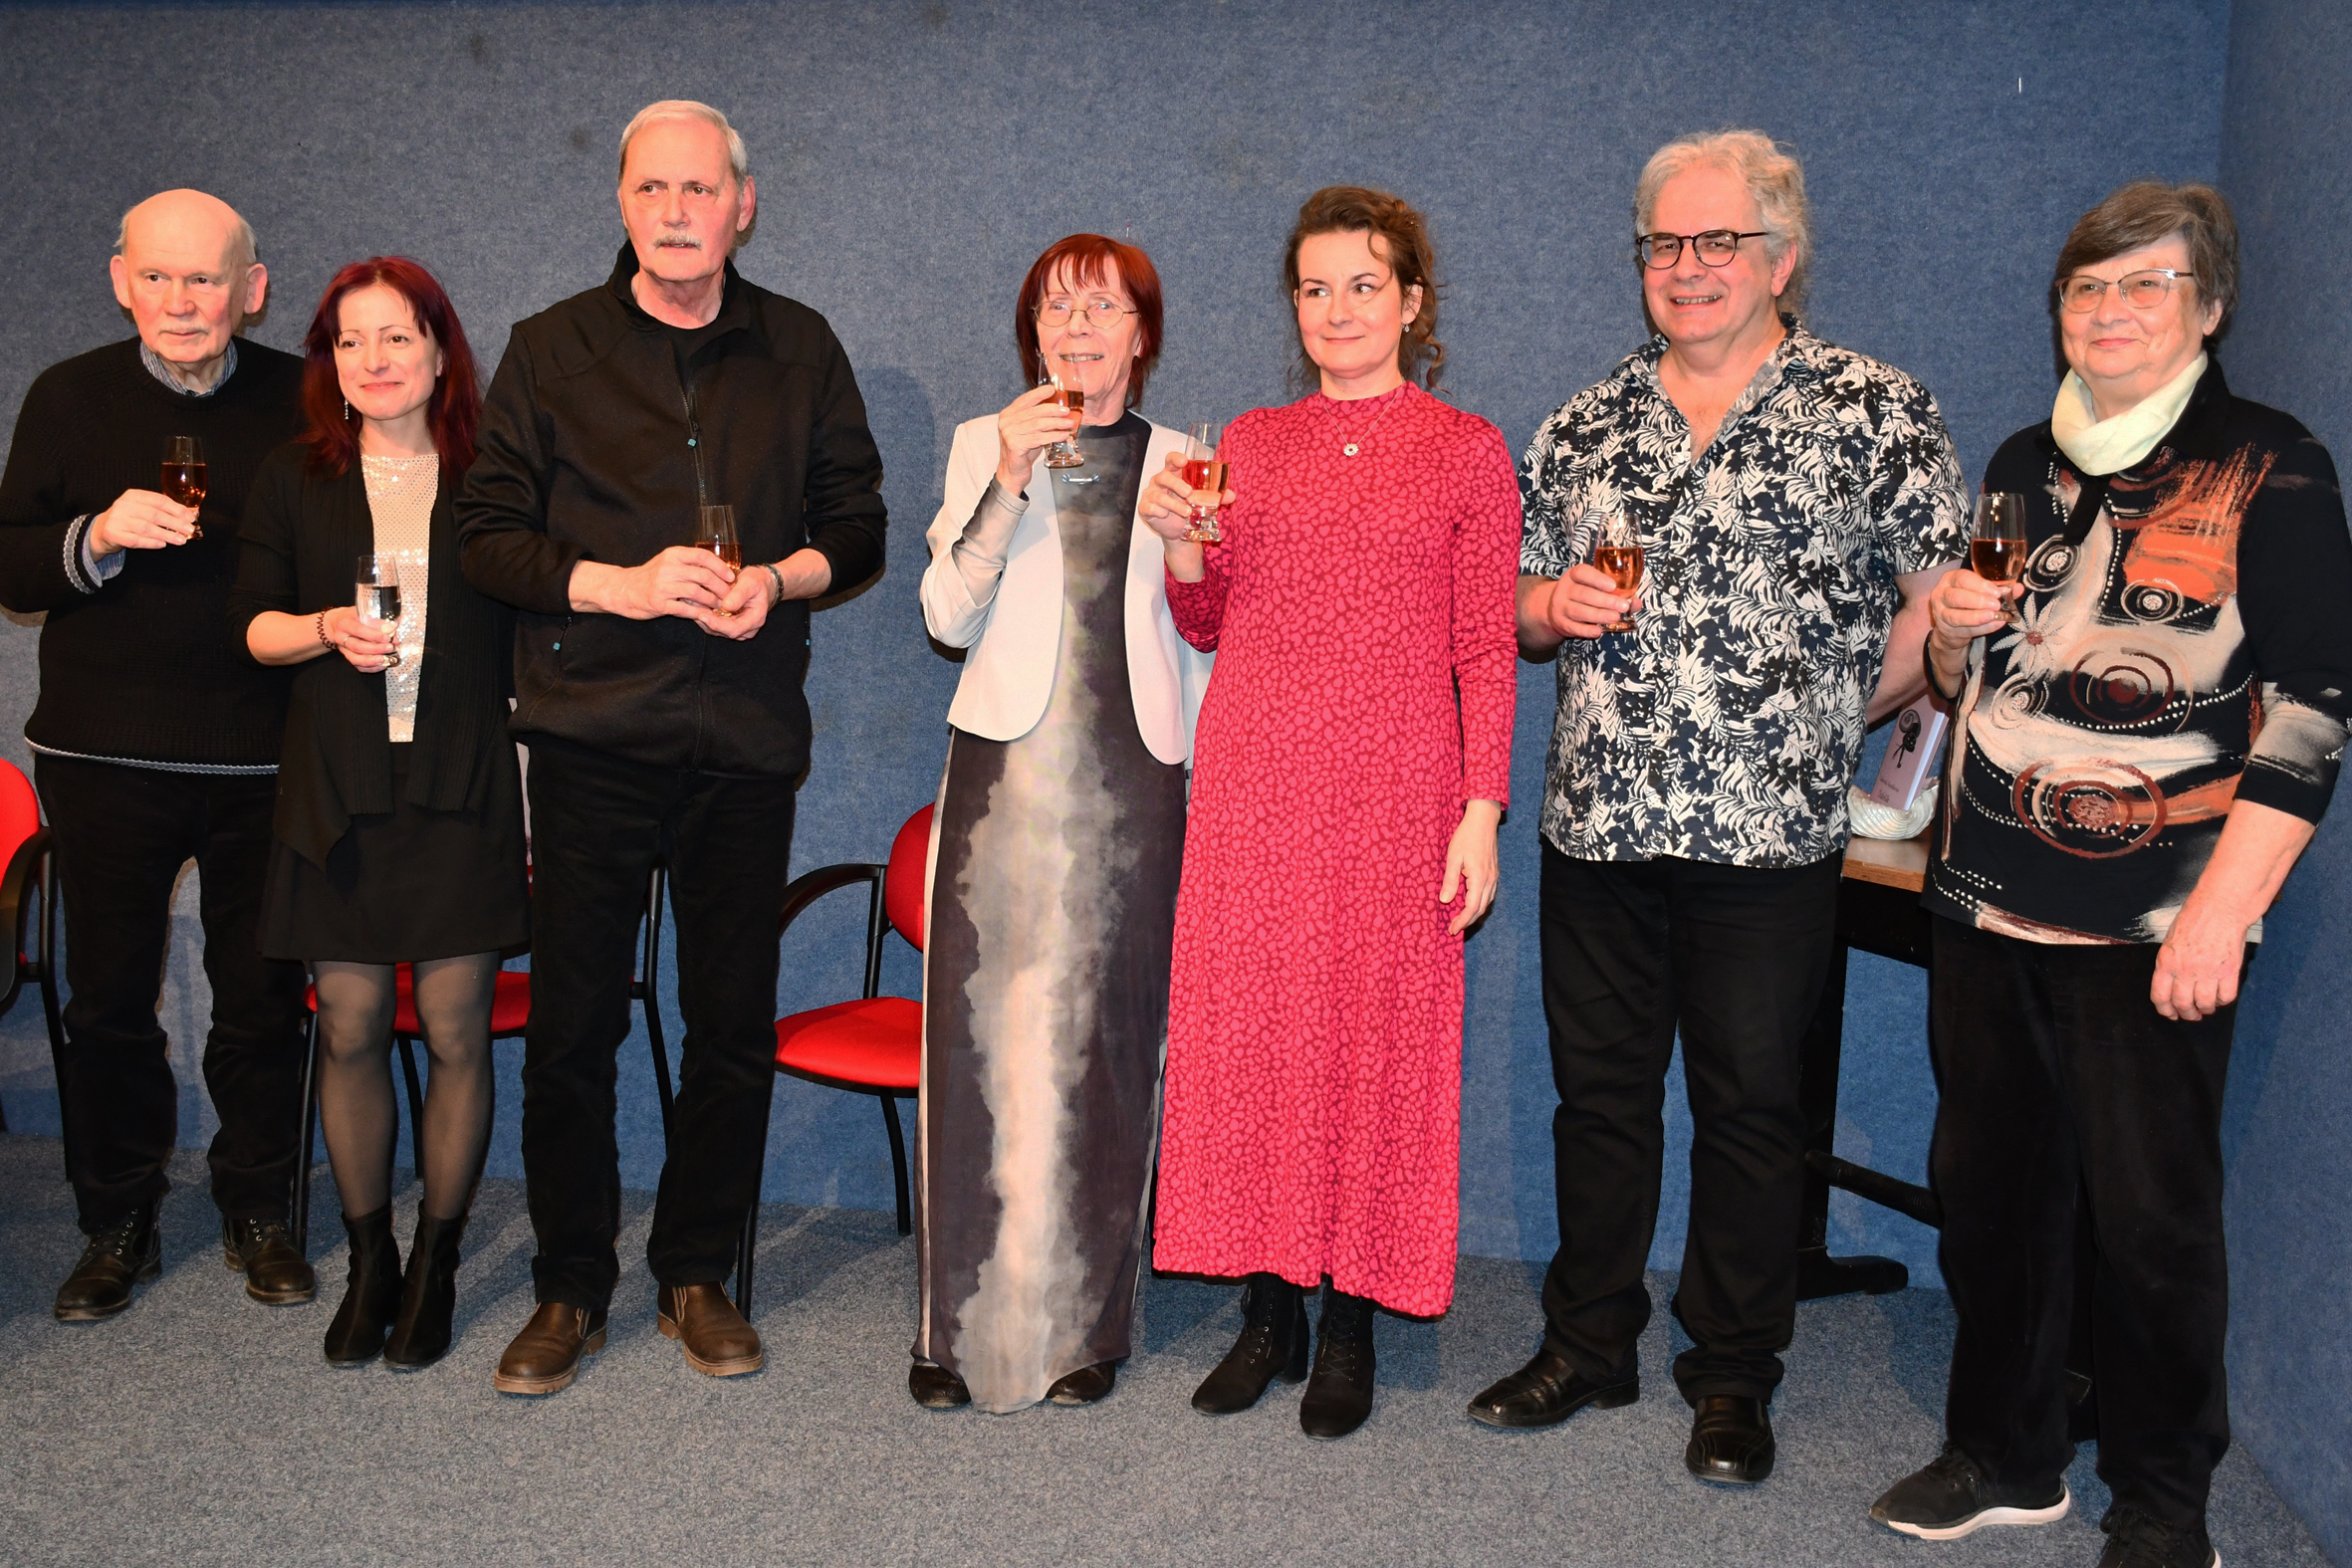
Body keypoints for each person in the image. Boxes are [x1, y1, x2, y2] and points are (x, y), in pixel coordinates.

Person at [1871, 182, 2352, 1568]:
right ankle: (2005, 1454)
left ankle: (2162, 1500)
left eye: (2146, 284)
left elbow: (2314, 712)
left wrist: (2219, 914)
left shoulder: (2273, 462)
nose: (2109, 310)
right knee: (1990, 1195)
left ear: (2208, 308)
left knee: (2150, 1221)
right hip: (1982, 899)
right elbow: (1965, 677)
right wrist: (1952, 630)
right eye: (2087, 286)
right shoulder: (2023, 458)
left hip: (2153, 922)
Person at [1483, 129, 1967, 1484]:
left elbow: (1943, 605)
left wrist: (1827, 717)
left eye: (1717, 242)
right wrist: (1550, 604)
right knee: (1598, 1099)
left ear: (1781, 257)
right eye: (1664, 244)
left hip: (1769, 837)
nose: (1687, 267)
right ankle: (1587, 1339)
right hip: (1597, 822)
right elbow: (1514, 605)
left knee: (1750, 1105)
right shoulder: (1583, 423)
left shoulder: (1875, 409)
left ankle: (1733, 1373)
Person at [459, 100, 887, 1396]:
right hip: (589, 735)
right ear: (623, 202)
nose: (676, 210)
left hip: (742, 738)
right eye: (652, 188)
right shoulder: (550, 348)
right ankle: (568, 1286)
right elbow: (487, 537)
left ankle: (697, 1274)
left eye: (700, 188)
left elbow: (856, 525)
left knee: (730, 1025)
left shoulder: (801, 346)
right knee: (573, 1028)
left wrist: (778, 578)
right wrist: (623, 584)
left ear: (741, 206)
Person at [1146, 186, 1520, 1441]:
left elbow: (1484, 647)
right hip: (1256, 781)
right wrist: (1183, 547)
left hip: (1398, 788)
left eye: (1364, 285)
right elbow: (1207, 621)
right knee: (1254, 1038)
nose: (1338, 310)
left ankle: (1350, 1318)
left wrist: (1480, 808)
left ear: (1411, 302)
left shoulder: (1465, 449)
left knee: (1376, 1044)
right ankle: (1269, 1311)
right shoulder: (1250, 440)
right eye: (1315, 289)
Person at [909, 234, 1211, 1415]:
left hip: (1134, 783)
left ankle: (1087, 1328)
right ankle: (953, 1332)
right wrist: (1006, 480)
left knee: (1108, 1046)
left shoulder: (1189, 460)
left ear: (1143, 333)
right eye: (1055, 308)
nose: (1076, 328)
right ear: (1032, 332)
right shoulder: (983, 443)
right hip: (1005, 778)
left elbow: (1207, 638)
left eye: (1102, 308)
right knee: (975, 1047)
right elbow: (945, 615)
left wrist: (1194, 557)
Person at [0, 190, 314, 1321]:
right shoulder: (67, 393)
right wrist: (94, 537)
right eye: (158, 277)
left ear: (251, 289)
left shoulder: (305, 398)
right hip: (104, 756)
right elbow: (10, 564)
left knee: (262, 1001)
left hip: (264, 755)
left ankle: (259, 1206)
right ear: (120, 279)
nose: (181, 302)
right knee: (109, 1004)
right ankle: (116, 1217)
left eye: (206, 279)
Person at [229, 258, 527, 1370]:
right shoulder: (293, 475)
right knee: (349, 1026)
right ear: (329, 363)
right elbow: (253, 626)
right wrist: (322, 628)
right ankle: (371, 1262)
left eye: (397, 336)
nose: (373, 360)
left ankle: (437, 1264)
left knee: (454, 1030)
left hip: (460, 780)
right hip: (337, 783)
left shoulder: (493, 472)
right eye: (350, 341)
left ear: (441, 352)